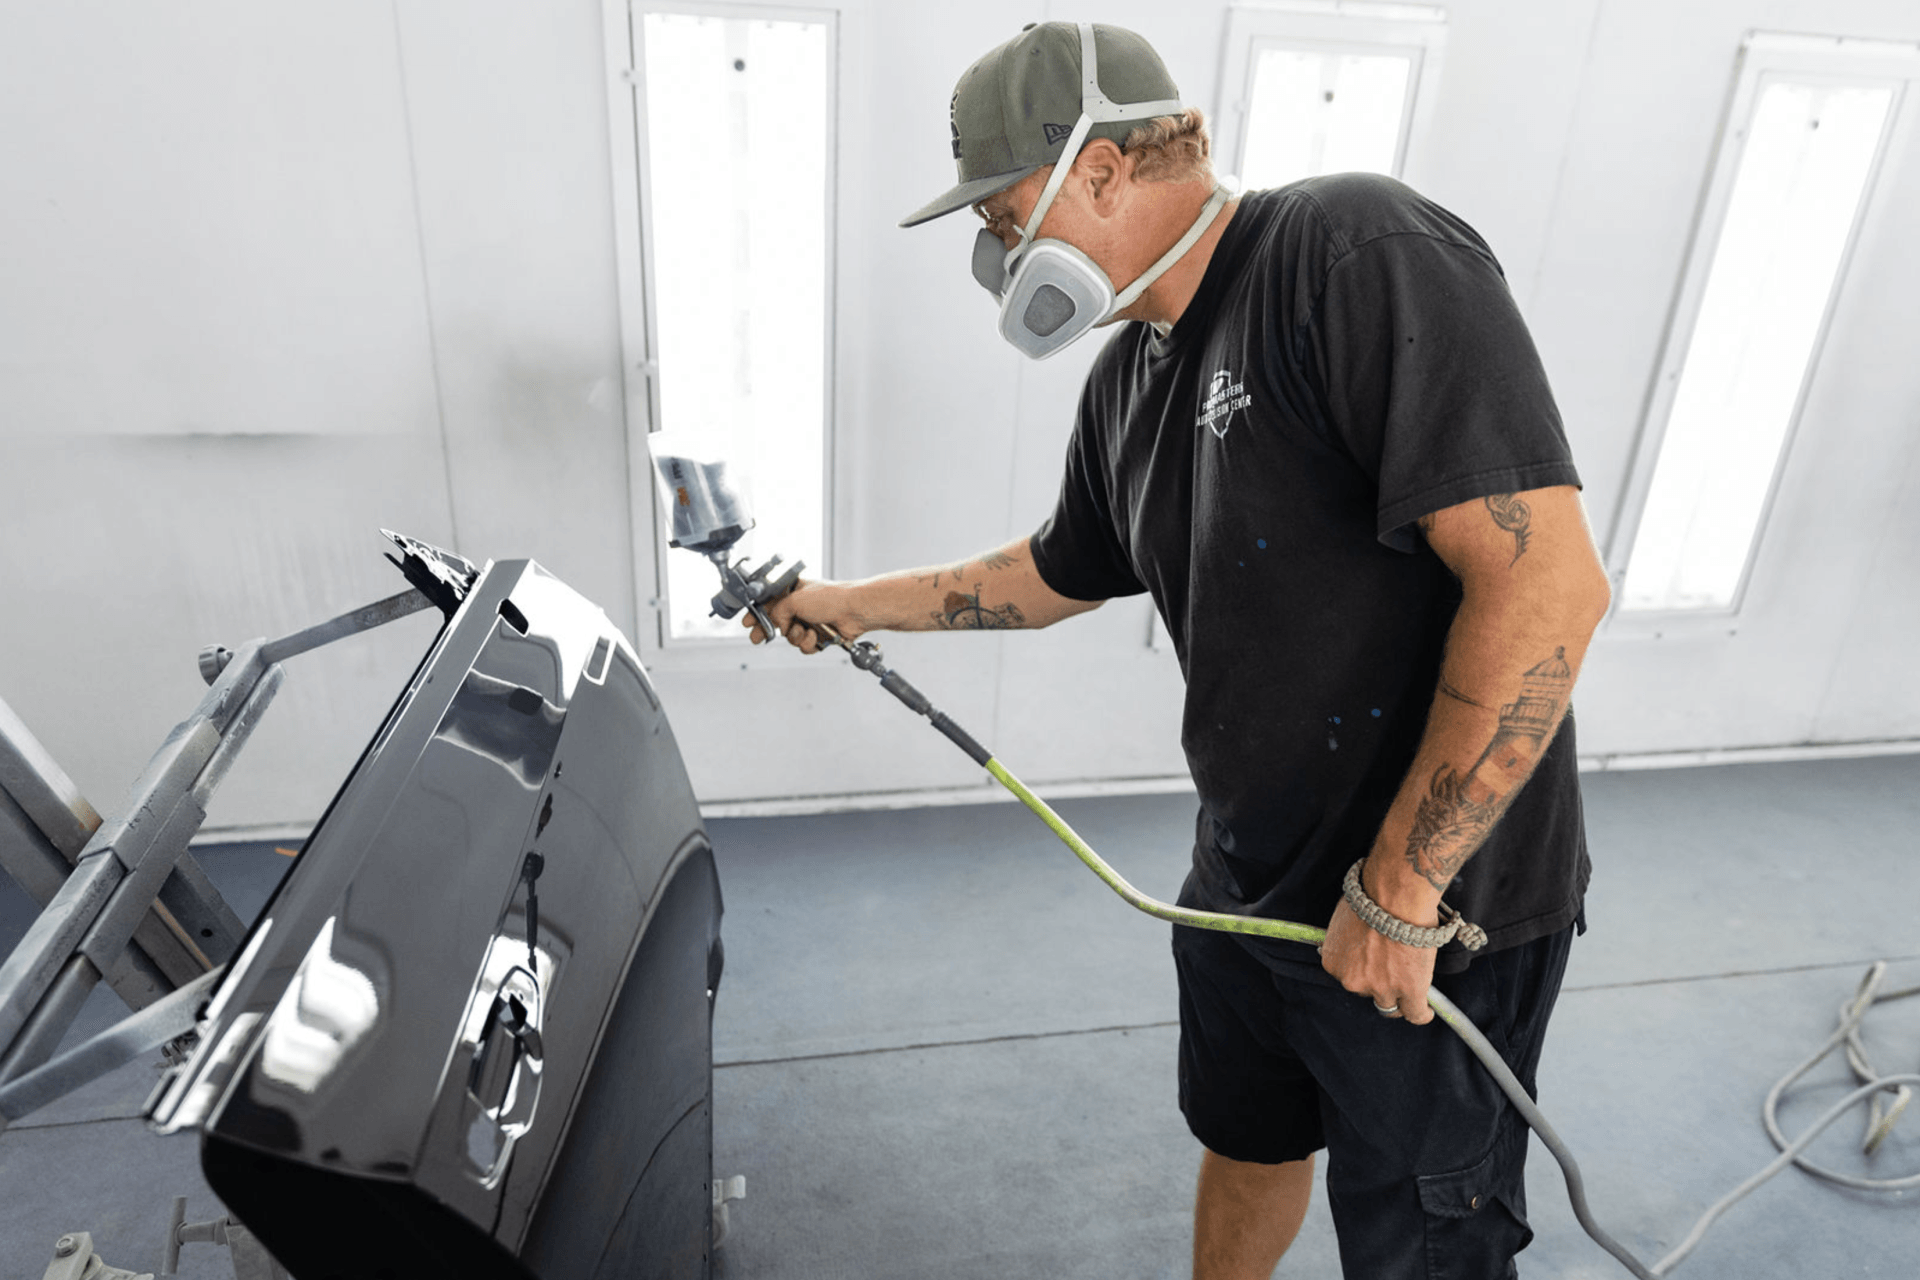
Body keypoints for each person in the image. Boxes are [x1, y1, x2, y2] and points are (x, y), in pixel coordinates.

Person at [752, 20, 1613, 1280]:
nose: (1000, 260)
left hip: (1435, 901)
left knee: (1428, 1233)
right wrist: (851, 601)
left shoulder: (1351, 250)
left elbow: (1549, 584)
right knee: (1250, 1136)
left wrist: (1405, 885)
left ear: (1100, 170)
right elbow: (1050, 574)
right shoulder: (1127, 382)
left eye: (1001, 221)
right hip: (1247, 873)